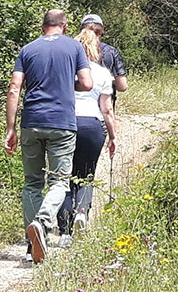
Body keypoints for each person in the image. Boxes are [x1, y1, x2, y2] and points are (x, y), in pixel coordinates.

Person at [5, 8, 91, 263]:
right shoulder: (74, 48)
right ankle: (42, 223)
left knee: (32, 183)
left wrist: (10, 129)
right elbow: (86, 83)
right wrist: (66, 82)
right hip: (61, 123)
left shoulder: (28, 50)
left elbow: (14, 89)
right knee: (59, 182)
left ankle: (33, 243)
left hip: (31, 122)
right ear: (64, 26)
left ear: (43, 27)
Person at [64, 22, 120, 232]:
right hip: (92, 124)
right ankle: (81, 212)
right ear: (97, 50)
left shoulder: (66, 70)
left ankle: (64, 230)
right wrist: (113, 137)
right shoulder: (103, 73)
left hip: (66, 124)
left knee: (65, 175)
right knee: (86, 174)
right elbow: (107, 110)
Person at [80, 13, 128, 101]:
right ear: (101, 32)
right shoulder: (111, 51)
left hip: (75, 107)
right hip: (103, 105)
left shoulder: (73, 49)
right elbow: (122, 86)